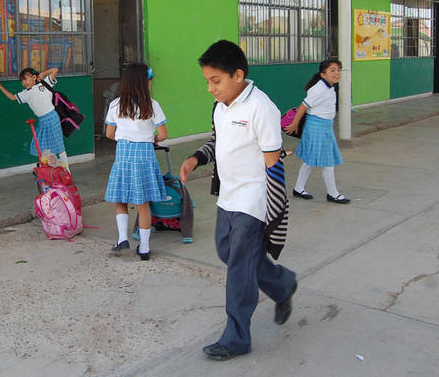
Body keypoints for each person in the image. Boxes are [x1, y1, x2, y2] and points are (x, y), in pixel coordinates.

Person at [179, 40, 297, 360]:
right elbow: (217, 140)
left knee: (239, 269)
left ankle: (236, 337)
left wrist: (276, 212)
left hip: (254, 199)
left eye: (215, 81)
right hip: (228, 196)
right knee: (227, 252)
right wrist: (195, 159)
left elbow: (274, 164)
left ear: (238, 75)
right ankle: (282, 284)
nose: (210, 88)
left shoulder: (262, 109)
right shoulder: (222, 106)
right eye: (207, 81)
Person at [104, 63, 167, 260]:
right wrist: (150, 139)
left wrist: (125, 138)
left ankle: (123, 238)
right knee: (143, 204)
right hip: (145, 156)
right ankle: (145, 248)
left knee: (121, 199)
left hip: (123, 153)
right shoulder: (152, 105)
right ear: (144, 82)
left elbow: (109, 133)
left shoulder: (116, 105)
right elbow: (163, 134)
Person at [284, 58, 349, 204]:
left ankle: (299, 189)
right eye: (332, 70)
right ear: (323, 74)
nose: (337, 73)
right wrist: (294, 124)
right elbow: (303, 107)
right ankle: (332, 193)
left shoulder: (329, 86)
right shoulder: (319, 89)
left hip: (324, 127)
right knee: (327, 161)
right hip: (317, 127)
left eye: (338, 70)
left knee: (310, 161)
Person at [0, 67, 70, 169]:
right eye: (22, 81)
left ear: (34, 77)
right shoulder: (25, 93)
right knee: (43, 148)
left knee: (59, 146)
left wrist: (42, 74)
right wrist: (0, 86)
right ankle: (56, 168)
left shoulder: (45, 83)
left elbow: (55, 69)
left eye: (26, 79)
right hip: (42, 121)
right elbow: (12, 97)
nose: (24, 83)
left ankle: (66, 171)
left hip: (52, 118)